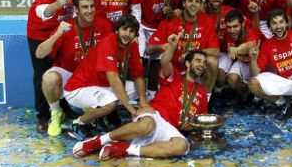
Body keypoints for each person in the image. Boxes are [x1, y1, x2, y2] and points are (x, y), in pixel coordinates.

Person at [72, 42, 210, 160]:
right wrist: (172, 47)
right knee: (146, 126)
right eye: (198, 60)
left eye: (204, 62)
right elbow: (164, 61)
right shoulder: (174, 77)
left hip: (171, 128)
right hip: (155, 115)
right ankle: (100, 140)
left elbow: (199, 121)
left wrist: (192, 125)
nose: (202, 65)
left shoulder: (202, 92)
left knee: (182, 146)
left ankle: (126, 149)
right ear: (187, 63)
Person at [26, 0, 89, 133]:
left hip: (66, 31)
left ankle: (65, 108)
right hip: (41, 31)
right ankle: (43, 116)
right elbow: (40, 10)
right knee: (42, 73)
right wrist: (55, 4)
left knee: (64, 68)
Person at [35, 0, 111, 136]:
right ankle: (57, 113)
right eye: (84, 7)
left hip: (91, 75)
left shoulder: (103, 24)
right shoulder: (67, 26)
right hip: (69, 72)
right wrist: (58, 34)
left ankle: (91, 112)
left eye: (92, 6)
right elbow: (39, 54)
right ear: (76, 9)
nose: (90, 11)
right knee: (49, 78)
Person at [64, 15, 153, 139]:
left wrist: (143, 101)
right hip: (79, 88)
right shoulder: (108, 43)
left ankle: (101, 117)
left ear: (135, 34)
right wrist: (131, 109)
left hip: (101, 85)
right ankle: (78, 123)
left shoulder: (132, 46)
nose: (127, 34)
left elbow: (138, 76)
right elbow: (114, 79)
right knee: (110, 102)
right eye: (124, 29)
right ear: (117, 30)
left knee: (142, 91)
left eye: (131, 31)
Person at [147, 0, 219, 92]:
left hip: (194, 70)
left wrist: (192, 54)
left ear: (200, 5)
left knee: (212, 62)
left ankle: (205, 99)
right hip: (172, 70)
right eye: (190, 1)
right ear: (184, 3)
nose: (193, 4)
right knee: (158, 59)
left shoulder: (207, 21)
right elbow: (149, 50)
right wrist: (163, 46)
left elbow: (215, 51)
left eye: (197, 2)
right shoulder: (170, 20)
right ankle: (153, 94)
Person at [220, 9, 262, 92]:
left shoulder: (252, 32)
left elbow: (250, 45)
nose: (232, 31)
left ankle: (258, 93)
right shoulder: (227, 33)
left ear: (242, 24)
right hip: (242, 61)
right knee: (231, 80)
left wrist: (236, 50)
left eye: (235, 26)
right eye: (229, 27)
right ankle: (250, 93)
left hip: (258, 63)